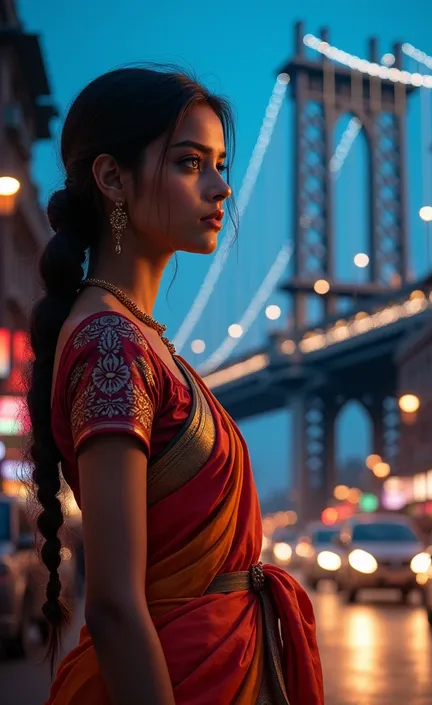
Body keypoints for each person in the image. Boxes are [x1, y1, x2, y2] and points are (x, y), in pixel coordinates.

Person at [26, 66, 324, 705]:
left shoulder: (140, 339)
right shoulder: (113, 345)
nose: (222, 188)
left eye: (221, 164)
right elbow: (112, 606)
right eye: (191, 163)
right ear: (112, 179)